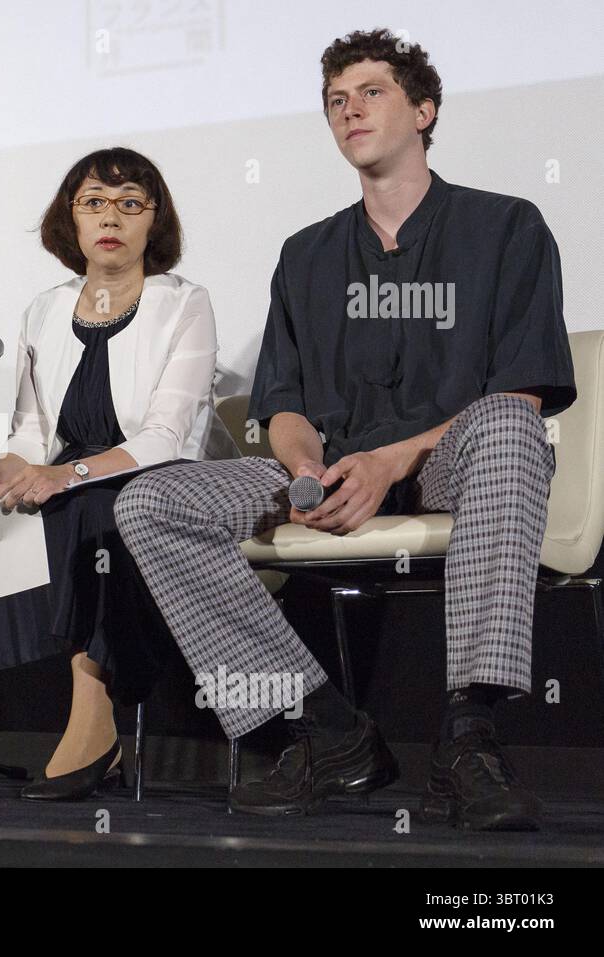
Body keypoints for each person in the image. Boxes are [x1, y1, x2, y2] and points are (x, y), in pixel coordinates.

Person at [114, 29, 574, 830]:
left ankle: (469, 735)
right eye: (335, 100)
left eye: (371, 92)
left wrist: (389, 457)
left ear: (425, 109)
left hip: (448, 461)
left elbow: (524, 392)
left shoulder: (508, 229)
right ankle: (326, 728)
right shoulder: (305, 256)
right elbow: (284, 404)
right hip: (324, 467)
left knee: (508, 423)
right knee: (147, 504)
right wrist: (304, 473)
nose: (349, 109)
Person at [0, 147, 238, 800]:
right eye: (93, 202)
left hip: (155, 485)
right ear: (72, 218)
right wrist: (1, 468)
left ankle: (95, 726)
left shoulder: (184, 303)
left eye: (129, 203)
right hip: (69, 476)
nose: (109, 216)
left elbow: (165, 437)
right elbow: (33, 433)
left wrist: (66, 475)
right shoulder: (44, 309)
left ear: (155, 221)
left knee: (97, 510)